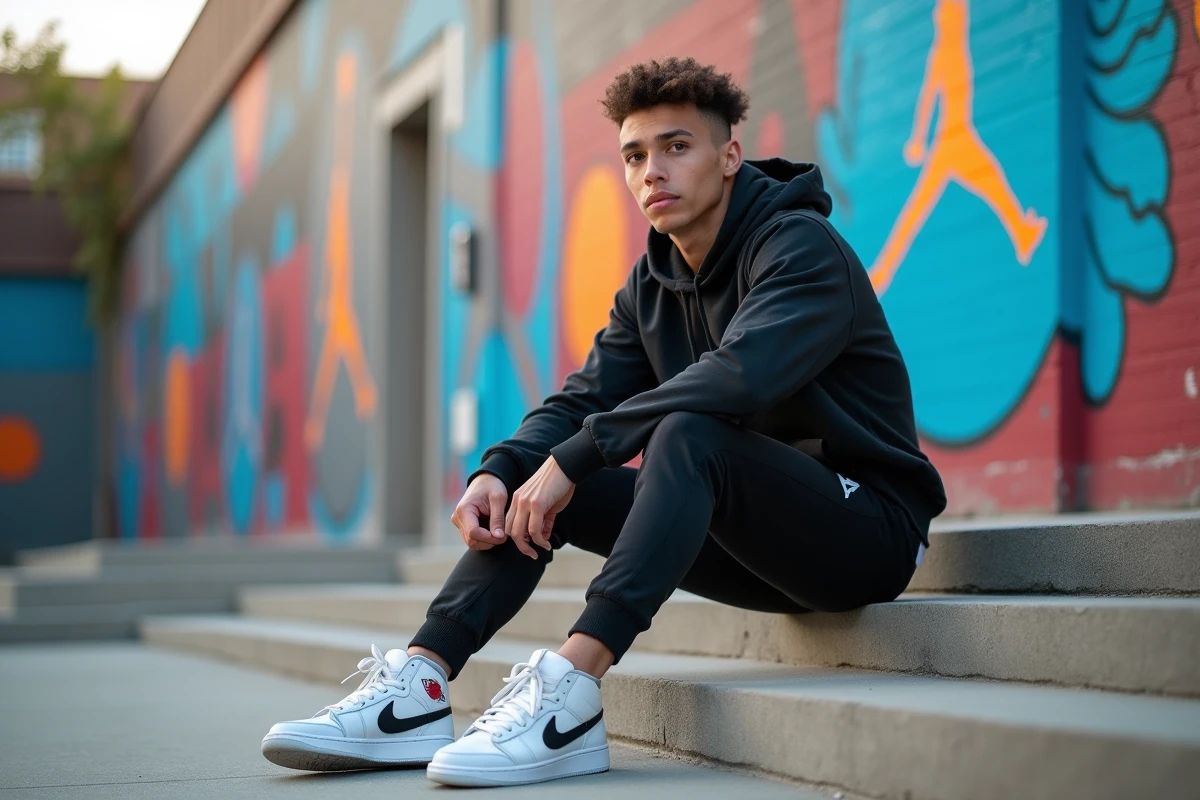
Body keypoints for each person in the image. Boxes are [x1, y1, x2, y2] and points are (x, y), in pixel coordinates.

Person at [262, 56, 946, 787]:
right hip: (759, 548)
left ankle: (571, 693)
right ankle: (421, 686)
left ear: (729, 156)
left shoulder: (801, 249)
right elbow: (582, 399)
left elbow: (741, 376)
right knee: (548, 471)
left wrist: (575, 458)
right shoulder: (652, 284)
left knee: (687, 431)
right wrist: (504, 467)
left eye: (677, 147)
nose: (653, 171)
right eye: (635, 155)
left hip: (867, 534)